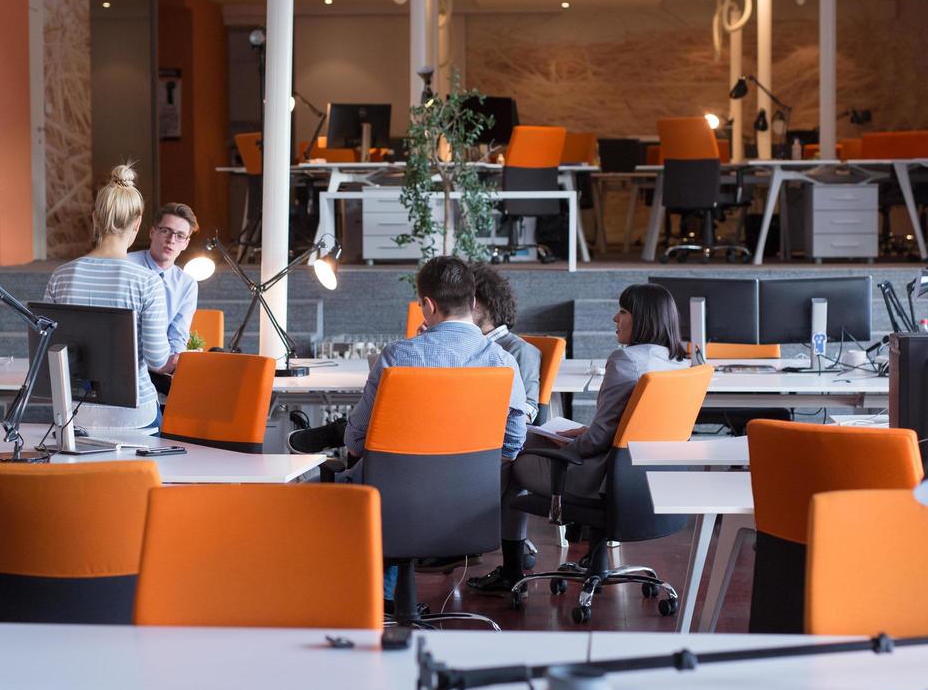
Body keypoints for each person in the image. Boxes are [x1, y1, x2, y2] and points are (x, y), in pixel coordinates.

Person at [288, 256, 530, 608]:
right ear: (473, 302)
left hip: (393, 501)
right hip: (470, 506)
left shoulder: (398, 356)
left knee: (320, 486)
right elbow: (514, 441)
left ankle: (357, 599)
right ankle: (388, 595)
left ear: (428, 305)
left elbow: (356, 437)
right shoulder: (502, 362)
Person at [468, 282, 689, 594]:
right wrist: (586, 432)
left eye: (623, 312)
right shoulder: (679, 361)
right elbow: (633, 427)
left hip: (601, 479)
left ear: (644, 319)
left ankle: (502, 563)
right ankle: (502, 555)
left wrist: (570, 443)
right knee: (529, 438)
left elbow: (597, 442)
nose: (615, 318)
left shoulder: (626, 361)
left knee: (513, 453)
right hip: (646, 478)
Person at [44, 164, 172, 429]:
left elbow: (48, 348)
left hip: (75, 415)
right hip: (135, 416)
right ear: (138, 224)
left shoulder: (61, 275)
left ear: (95, 219)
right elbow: (158, 360)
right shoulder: (147, 281)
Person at [128, 202, 201, 394]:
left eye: (180, 236)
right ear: (152, 232)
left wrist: (172, 361)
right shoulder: (127, 265)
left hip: (160, 366)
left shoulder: (187, 284)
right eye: (165, 231)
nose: (171, 240)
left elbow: (178, 335)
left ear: (186, 243)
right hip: (127, 361)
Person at [472, 263, 542, 422]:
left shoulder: (520, 350)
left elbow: (528, 410)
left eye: (470, 302)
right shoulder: (466, 345)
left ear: (489, 304)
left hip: (493, 435)